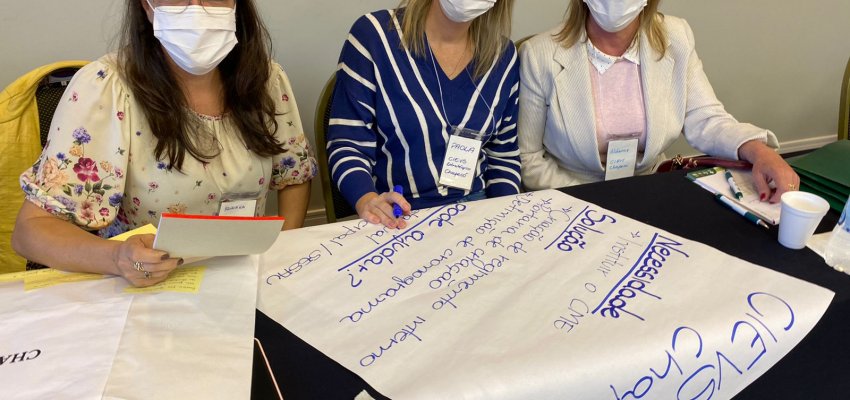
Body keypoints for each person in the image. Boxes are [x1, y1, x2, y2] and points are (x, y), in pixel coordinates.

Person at [11, 0, 317, 287]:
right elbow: (30, 231)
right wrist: (117, 258)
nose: (196, 9)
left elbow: (294, 176)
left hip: (245, 279)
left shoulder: (266, 80)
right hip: (151, 287)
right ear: (146, 6)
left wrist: (280, 256)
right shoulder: (106, 88)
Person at [517, 0, 799, 202]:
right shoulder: (539, 55)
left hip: (652, 191)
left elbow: (706, 118)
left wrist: (759, 152)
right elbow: (528, 159)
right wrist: (597, 201)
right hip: (573, 197)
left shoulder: (676, 37)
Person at [327, 0, 521, 229]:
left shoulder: (503, 56)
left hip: (477, 211)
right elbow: (347, 142)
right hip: (399, 213)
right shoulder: (374, 36)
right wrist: (367, 199)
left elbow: (504, 155)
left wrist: (507, 217)